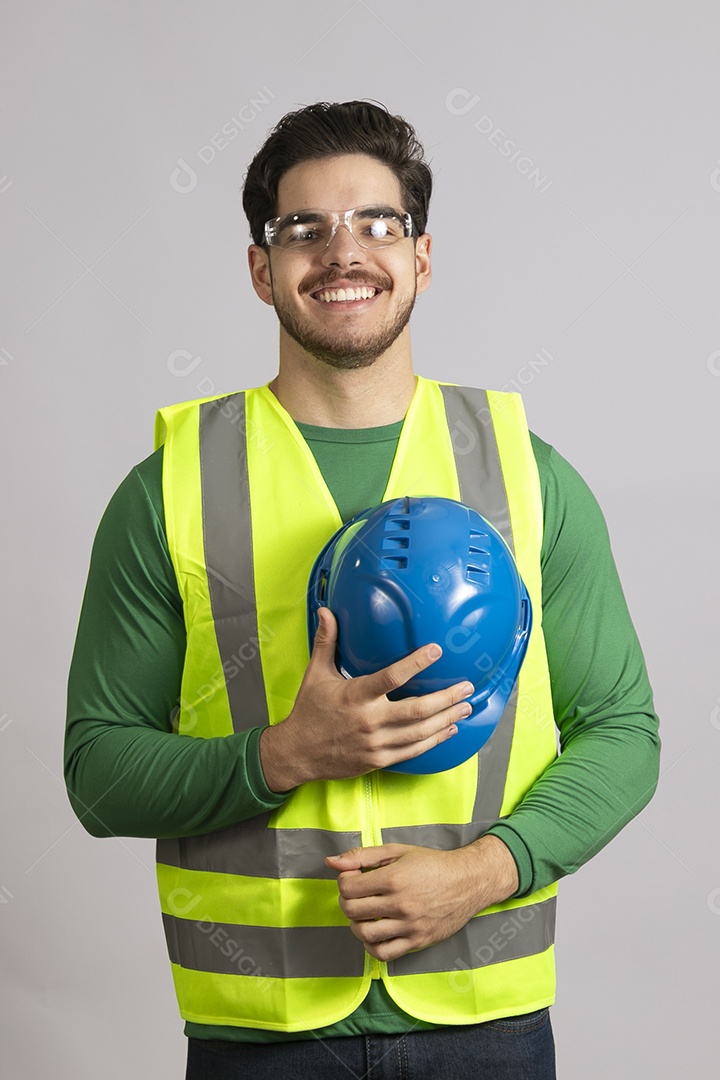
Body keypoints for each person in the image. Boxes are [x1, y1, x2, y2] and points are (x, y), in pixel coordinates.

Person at [65, 101, 661, 1079]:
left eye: (378, 224)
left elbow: (625, 729)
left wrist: (485, 870)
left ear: (423, 257)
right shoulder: (167, 489)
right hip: (260, 1038)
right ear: (263, 269)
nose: (344, 253)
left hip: (487, 1028)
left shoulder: (529, 476)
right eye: (305, 229)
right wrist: (280, 756)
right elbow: (97, 768)